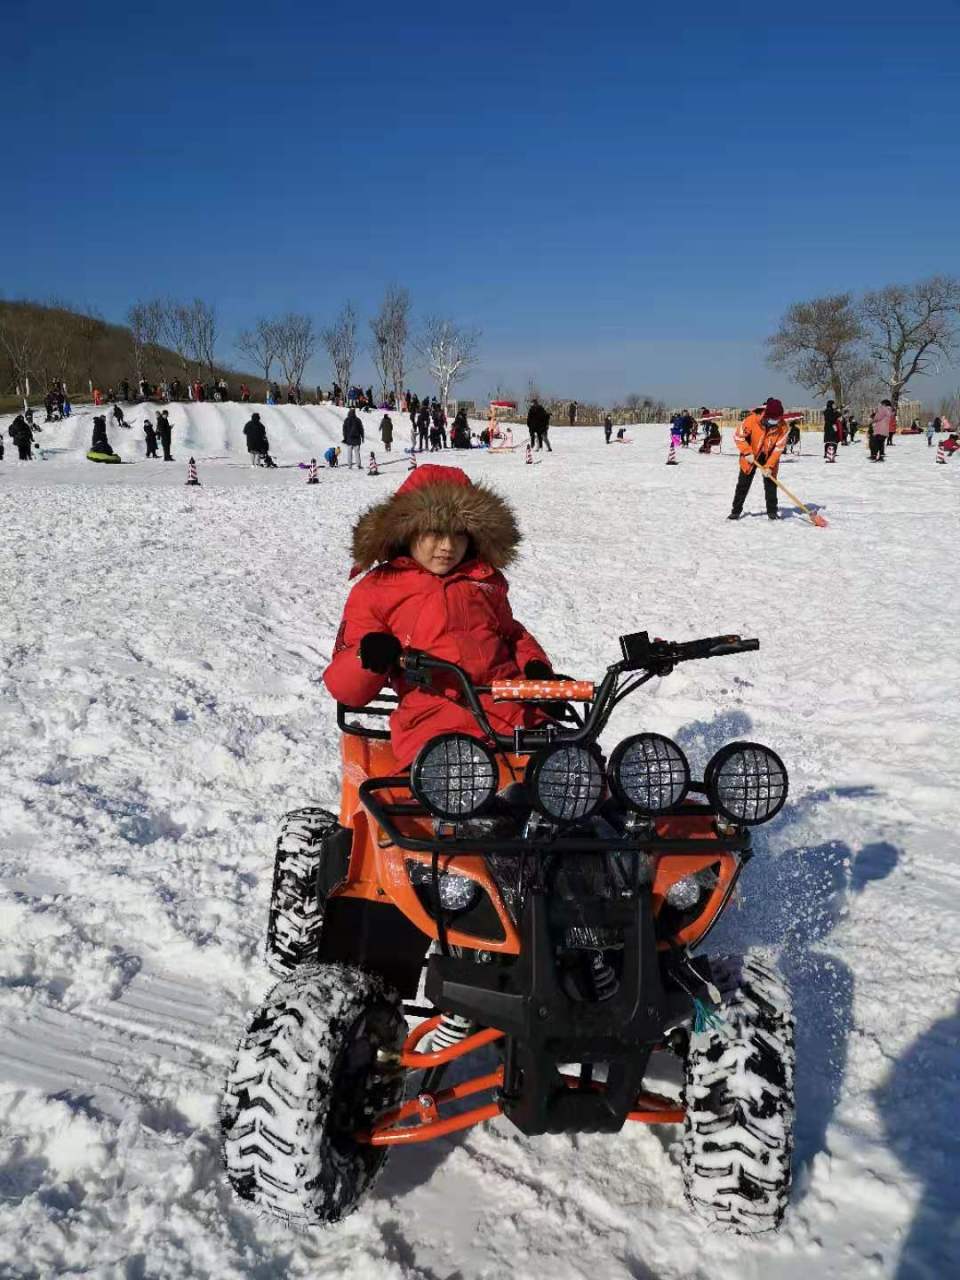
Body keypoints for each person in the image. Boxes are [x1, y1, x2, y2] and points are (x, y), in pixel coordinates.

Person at [323, 464, 555, 767]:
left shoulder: (484, 581)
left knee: (575, 780)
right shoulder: (378, 588)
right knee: (473, 805)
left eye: (458, 534)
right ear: (408, 530)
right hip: (434, 727)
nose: (447, 546)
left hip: (514, 718)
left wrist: (536, 670)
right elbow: (344, 687)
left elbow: (511, 636)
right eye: (434, 532)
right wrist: (367, 658)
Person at [728, 398, 789, 521]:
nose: (776, 421)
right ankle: (735, 511)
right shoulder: (751, 420)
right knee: (743, 484)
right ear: (766, 415)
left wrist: (769, 466)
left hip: (769, 457)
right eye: (774, 418)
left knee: (771, 484)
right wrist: (747, 452)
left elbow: (778, 448)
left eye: (778, 418)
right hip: (750, 456)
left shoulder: (783, 427)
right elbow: (739, 437)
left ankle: (772, 511)